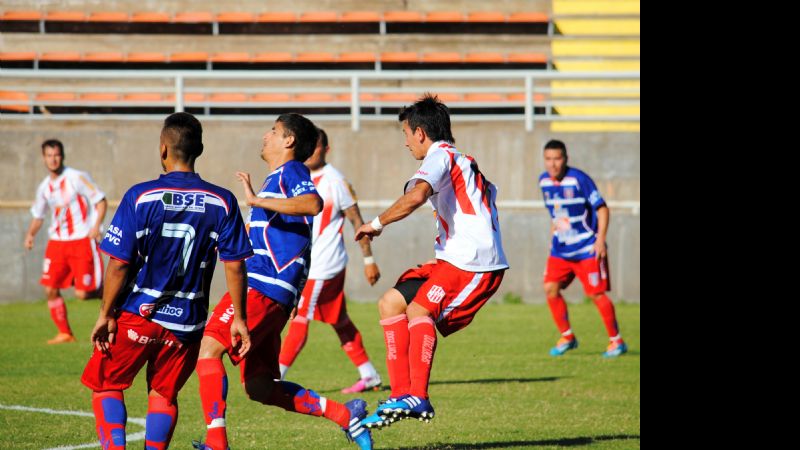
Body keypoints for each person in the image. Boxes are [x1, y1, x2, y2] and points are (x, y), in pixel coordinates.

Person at [194, 114, 373, 450]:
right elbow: (300, 241)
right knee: (259, 387)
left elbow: (313, 203)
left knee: (208, 350)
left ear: (288, 141)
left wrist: (257, 201)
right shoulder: (276, 178)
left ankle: (216, 444)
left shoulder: (291, 171)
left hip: (260, 288)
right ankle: (346, 416)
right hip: (275, 294)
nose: (266, 135)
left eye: (273, 131)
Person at [81, 112, 253, 450]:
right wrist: (241, 320)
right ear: (199, 149)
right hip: (187, 324)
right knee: (163, 394)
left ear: (163, 149)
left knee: (107, 384)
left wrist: (105, 313)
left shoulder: (141, 196)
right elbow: (235, 266)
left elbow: (118, 264)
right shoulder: (223, 201)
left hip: (138, 315)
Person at [355, 94, 508, 429]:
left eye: (406, 135)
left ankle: (418, 397)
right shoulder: (461, 160)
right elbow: (486, 198)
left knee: (418, 311)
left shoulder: (439, 156)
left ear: (421, 133)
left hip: (472, 263)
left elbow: (416, 196)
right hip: (454, 258)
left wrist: (375, 224)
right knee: (390, 303)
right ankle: (400, 395)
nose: (406, 143)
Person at [278, 127, 383, 394]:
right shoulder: (296, 176)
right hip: (310, 264)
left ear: (326, 149)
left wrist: (369, 259)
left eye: (316, 147)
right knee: (340, 320)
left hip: (324, 266)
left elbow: (357, 221)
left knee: (300, 316)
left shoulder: (335, 181)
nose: (311, 152)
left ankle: (275, 376)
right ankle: (368, 374)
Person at [538, 139, 627, 358]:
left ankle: (616, 341)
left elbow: (602, 208)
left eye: (557, 158)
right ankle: (567, 336)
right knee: (550, 288)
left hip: (587, 247)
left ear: (565, 158)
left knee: (596, 294)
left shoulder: (579, 179)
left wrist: (600, 240)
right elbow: (557, 214)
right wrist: (553, 240)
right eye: (548, 159)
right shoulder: (543, 182)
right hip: (561, 250)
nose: (553, 164)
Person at [24, 138, 108, 344]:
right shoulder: (44, 187)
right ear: (44, 158)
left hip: (81, 240)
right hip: (57, 243)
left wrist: (96, 226)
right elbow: (39, 215)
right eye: (49, 156)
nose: (53, 159)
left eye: (56, 155)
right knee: (50, 289)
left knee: (82, 293)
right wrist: (30, 234)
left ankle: (116, 295)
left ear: (62, 156)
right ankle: (65, 333)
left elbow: (100, 201)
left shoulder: (77, 177)